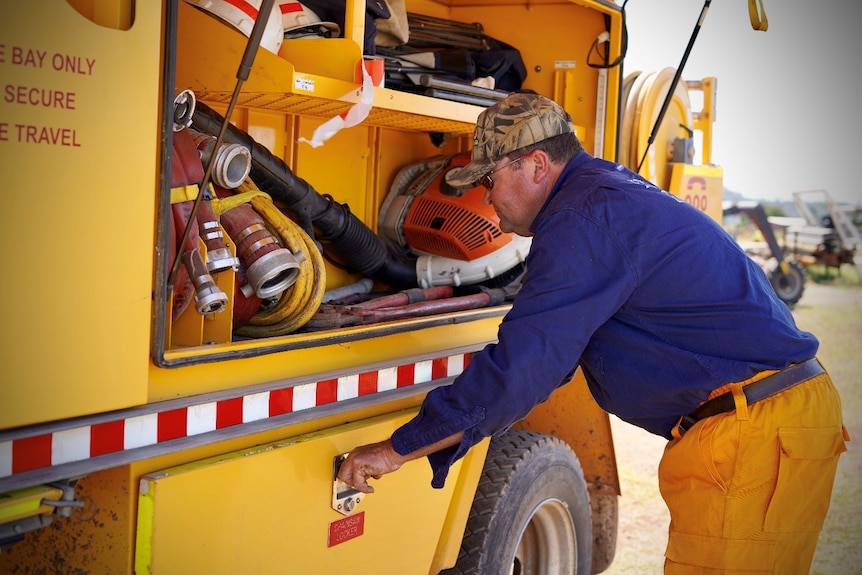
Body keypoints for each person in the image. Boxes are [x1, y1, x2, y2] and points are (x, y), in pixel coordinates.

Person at [337, 93, 848, 573]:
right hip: (771, 419)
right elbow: (549, 361)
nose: (487, 199)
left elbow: (525, 368)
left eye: (489, 179)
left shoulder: (582, 217)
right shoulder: (603, 196)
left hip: (754, 429)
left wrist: (397, 448)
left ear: (536, 165)